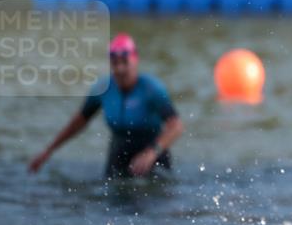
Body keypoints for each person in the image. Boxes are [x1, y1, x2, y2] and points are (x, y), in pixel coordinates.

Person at [29, 33, 183, 179]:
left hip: (153, 152)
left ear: (135, 60)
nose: (120, 69)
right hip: (119, 152)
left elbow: (176, 126)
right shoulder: (103, 89)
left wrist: (151, 153)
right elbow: (77, 123)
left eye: (125, 62)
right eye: (115, 63)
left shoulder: (152, 89)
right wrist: (48, 151)